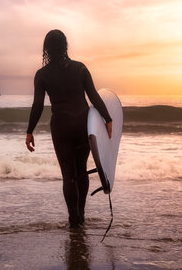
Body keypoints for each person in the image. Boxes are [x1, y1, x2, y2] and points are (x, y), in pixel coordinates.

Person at [25, 29, 113, 229]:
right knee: (81, 171)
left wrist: (30, 131)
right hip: (83, 125)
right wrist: (108, 118)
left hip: (61, 127)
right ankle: (81, 215)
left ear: (46, 48)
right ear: (65, 46)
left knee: (68, 175)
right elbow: (94, 97)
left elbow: (37, 105)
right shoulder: (80, 68)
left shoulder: (42, 75)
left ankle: (73, 220)